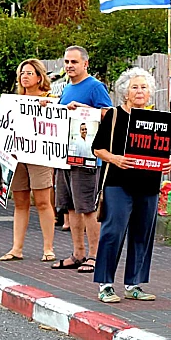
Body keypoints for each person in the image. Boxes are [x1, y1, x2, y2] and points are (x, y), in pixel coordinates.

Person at [91, 67, 171, 303]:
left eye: (144, 87)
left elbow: (165, 152)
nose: (139, 91)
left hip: (148, 185)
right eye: (135, 87)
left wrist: (170, 161)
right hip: (118, 183)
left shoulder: (157, 119)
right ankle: (105, 284)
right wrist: (115, 158)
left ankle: (134, 284)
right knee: (113, 232)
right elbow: (97, 148)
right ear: (125, 92)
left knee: (142, 235)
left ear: (150, 93)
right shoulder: (114, 116)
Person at [53, 46, 112, 273]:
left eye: (74, 62)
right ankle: (77, 253)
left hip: (86, 157)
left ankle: (95, 256)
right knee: (70, 207)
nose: (69, 66)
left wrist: (86, 109)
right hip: (65, 157)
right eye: (67, 61)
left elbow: (110, 114)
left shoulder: (96, 87)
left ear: (85, 64)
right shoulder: (67, 88)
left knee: (87, 207)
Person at [0, 59, 57, 263]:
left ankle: (48, 247)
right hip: (17, 155)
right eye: (22, 73)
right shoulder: (13, 101)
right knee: (20, 201)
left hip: (39, 155)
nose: (25, 76)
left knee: (42, 201)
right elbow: (4, 127)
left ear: (39, 77)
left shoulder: (50, 99)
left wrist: (46, 107)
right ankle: (17, 248)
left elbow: (58, 120)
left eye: (29, 73)